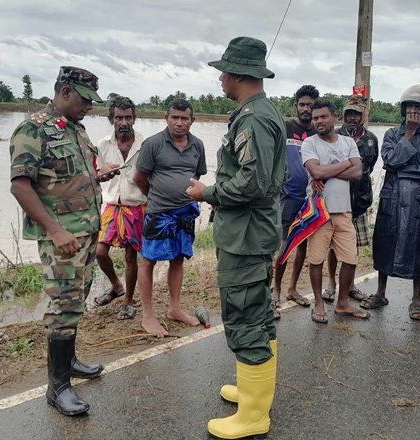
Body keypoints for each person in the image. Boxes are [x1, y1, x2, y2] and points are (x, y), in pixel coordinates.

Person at [186, 36, 286, 440]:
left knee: (245, 317)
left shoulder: (254, 118)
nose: (221, 79)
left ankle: (254, 417)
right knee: (257, 315)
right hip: (250, 232)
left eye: (224, 72)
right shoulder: (256, 112)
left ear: (239, 74)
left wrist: (205, 192)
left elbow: (253, 182)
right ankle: (252, 394)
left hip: (246, 236)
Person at [10, 66, 113, 416]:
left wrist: (98, 176)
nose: (89, 107)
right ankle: (58, 388)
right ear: (65, 92)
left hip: (85, 232)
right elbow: (20, 185)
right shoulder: (33, 129)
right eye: (85, 100)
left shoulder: (75, 129)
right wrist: (55, 230)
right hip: (62, 238)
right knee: (64, 307)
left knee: (77, 301)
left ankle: (68, 363)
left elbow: (65, 177)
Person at [361, 85, 420, 321]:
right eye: (409, 107)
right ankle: (380, 293)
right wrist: (408, 134)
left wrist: (399, 170)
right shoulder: (392, 134)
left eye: (419, 107)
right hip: (393, 199)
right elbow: (389, 159)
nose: (413, 112)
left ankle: (416, 299)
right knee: (384, 242)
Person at [133, 98, 207, 338]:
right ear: (166, 118)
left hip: (185, 212)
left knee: (178, 259)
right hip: (158, 213)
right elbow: (139, 178)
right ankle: (148, 316)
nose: (179, 123)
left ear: (192, 120)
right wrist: (157, 197)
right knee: (148, 260)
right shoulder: (152, 143)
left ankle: (175, 309)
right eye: (174, 117)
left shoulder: (198, 145)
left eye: (184, 118)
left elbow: (196, 176)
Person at [301, 98, 367, 323]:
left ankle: (342, 303)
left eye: (323, 116)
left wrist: (327, 170)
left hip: (344, 211)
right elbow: (316, 173)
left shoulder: (348, 142)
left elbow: (357, 173)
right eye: (315, 118)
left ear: (334, 117)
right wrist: (346, 164)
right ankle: (319, 303)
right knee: (316, 260)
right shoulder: (309, 143)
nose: (318, 121)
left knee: (350, 259)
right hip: (319, 212)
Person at [93, 96, 146, 321]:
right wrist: (102, 172)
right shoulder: (103, 145)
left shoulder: (145, 145)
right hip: (112, 206)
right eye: (118, 118)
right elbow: (96, 175)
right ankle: (116, 286)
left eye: (128, 117)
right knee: (99, 251)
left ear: (134, 118)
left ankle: (128, 301)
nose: (124, 122)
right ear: (110, 119)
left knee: (131, 256)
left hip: (137, 206)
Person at [322, 95, 379, 303]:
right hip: (336, 202)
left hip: (359, 202)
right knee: (332, 246)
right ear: (343, 116)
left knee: (352, 247)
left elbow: (368, 168)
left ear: (363, 116)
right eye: (349, 114)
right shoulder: (334, 136)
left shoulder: (371, 139)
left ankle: (351, 284)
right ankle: (331, 283)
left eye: (356, 114)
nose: (352, 118)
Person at [271, 84, 318, 318]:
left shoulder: (318, 132)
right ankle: (276, 290)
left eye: (310, 105)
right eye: (302, 104)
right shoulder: (285, 127)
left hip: (310, 199)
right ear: (296, 106)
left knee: (303, 245)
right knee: (284, 247)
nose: (306, 109)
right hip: (287, 197)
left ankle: (292, 289)